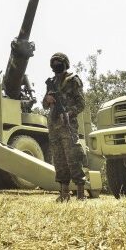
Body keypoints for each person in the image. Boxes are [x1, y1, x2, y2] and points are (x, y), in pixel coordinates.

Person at [42, 52, 87, 201]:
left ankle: (81, 193)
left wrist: (69, 113)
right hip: (54, 126)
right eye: (53, 63)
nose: (56, 65)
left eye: (58, 62)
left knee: (73, 157)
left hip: (68, 125)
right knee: (59, 159)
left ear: (65, 63)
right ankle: (64, 194)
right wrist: (47, 99)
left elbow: (81, 104)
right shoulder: (51, 82)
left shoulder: (73, 80)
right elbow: (44, 104)